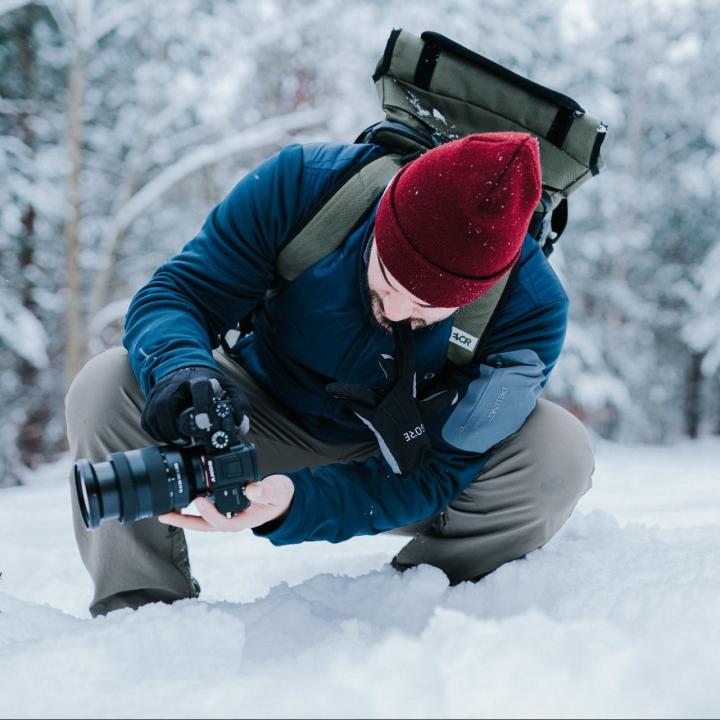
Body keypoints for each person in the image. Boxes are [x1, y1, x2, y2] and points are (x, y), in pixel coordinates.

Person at [65, 131, 594, 616]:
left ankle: (423, 605)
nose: (398, 309)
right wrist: (184, 375)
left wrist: (301, 504)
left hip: (400, 458)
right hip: (256, 411)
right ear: (384, 216)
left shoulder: (530, 309)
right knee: (106, 382)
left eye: (427, 310)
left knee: (558, 450)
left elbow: (440, 473)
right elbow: (179, 295)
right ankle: (141, 613)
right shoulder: (305, 186)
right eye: (389, 281)